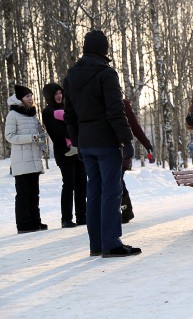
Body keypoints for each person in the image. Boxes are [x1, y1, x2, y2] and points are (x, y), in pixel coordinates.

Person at [63, 29, 141, 257]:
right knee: (111, 190)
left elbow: (69, 114)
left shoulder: (71, 76)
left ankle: (96, 244)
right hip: (106, 141)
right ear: (104, 49)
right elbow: (115, 111)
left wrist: (77, 141)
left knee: (93, 191)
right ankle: (111, 243)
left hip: (86, 142)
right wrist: (126, 140)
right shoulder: (106, 74)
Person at [41, 82, 87, 228]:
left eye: (60, 92)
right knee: (69, 184)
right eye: (55, 94)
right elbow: (57, 132)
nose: (59, 96)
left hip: (78, 150)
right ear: (50, 96)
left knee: (82, 183)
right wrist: (73, 130)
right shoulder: (48, 112)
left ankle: (82, 216)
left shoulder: (67, 108)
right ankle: (66, 218)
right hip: (64, 153)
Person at [5, 85, 48, 234]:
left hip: (34, 159)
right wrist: (31, 138)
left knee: (34, 193)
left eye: (31, 95)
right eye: (27, 96)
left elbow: (40, 132)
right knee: (23, 193)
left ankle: (35, 221)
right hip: (21, 161)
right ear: (20, 99)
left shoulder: (32, 114)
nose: (30, 98)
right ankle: (24, 224)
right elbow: (9, 136)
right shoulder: (13, 115)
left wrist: (43, 146)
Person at [120, 99, 154, 224]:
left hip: (123, 151)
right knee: (115, 181)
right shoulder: (97, 102)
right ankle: (126, 211)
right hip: (106, 150)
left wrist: (146, 143)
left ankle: (125, 211)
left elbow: (135, 126)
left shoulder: (123, 105)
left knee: (117, 180)